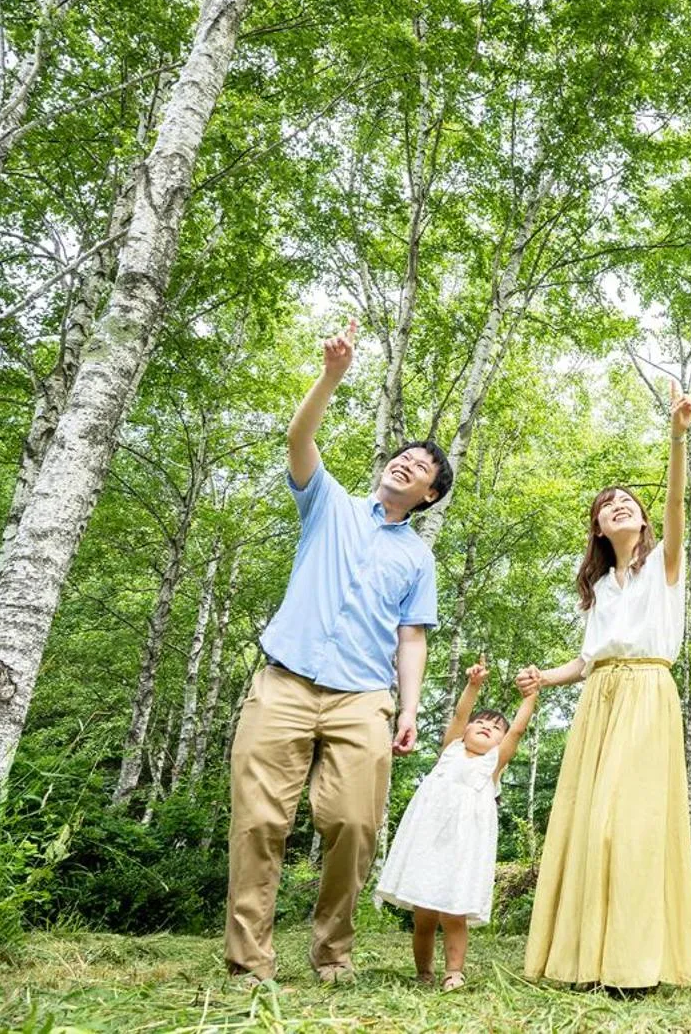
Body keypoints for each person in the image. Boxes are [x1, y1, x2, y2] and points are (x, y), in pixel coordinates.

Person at [225, 318, 452, 986]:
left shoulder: (416, 557)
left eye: (421, 467)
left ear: (428, 495)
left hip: (363, 698)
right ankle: (249, 960)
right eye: (403, 455)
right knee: (260, 820)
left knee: (353, 822)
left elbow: (412, 635)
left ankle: (332, 950)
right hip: (284, 683)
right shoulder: (327, 503)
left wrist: (409, 708)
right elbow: (300, 438)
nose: (406, 462)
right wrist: (331, 375)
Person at [517, 379, 691, 989]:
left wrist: (677, 436)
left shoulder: (663, 567)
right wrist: (546, 676)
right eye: (607, 503)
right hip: (599, 701)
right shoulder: (598, 590)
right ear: (598, 527)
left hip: (648, 695)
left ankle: (634, 964)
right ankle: (586, 961)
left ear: (643, 519)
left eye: (628, 500)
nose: (618, 504)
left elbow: (676, 505)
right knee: (591, 824)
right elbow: (588, 660)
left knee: (632, 823)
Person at [374, 660, 537, 991]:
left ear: (501, 743)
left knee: (453, 914)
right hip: (427, 843)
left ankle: (453, 972)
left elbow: (518, 729)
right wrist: (473, 686)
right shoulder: (451, 748)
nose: (486, 728)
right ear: (465, 732)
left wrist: (531, 695)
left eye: (495, 729)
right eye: (481, 723)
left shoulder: (493, 765)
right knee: (423, 917)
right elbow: (461, 715)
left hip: (462, 850)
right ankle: (423, 972)